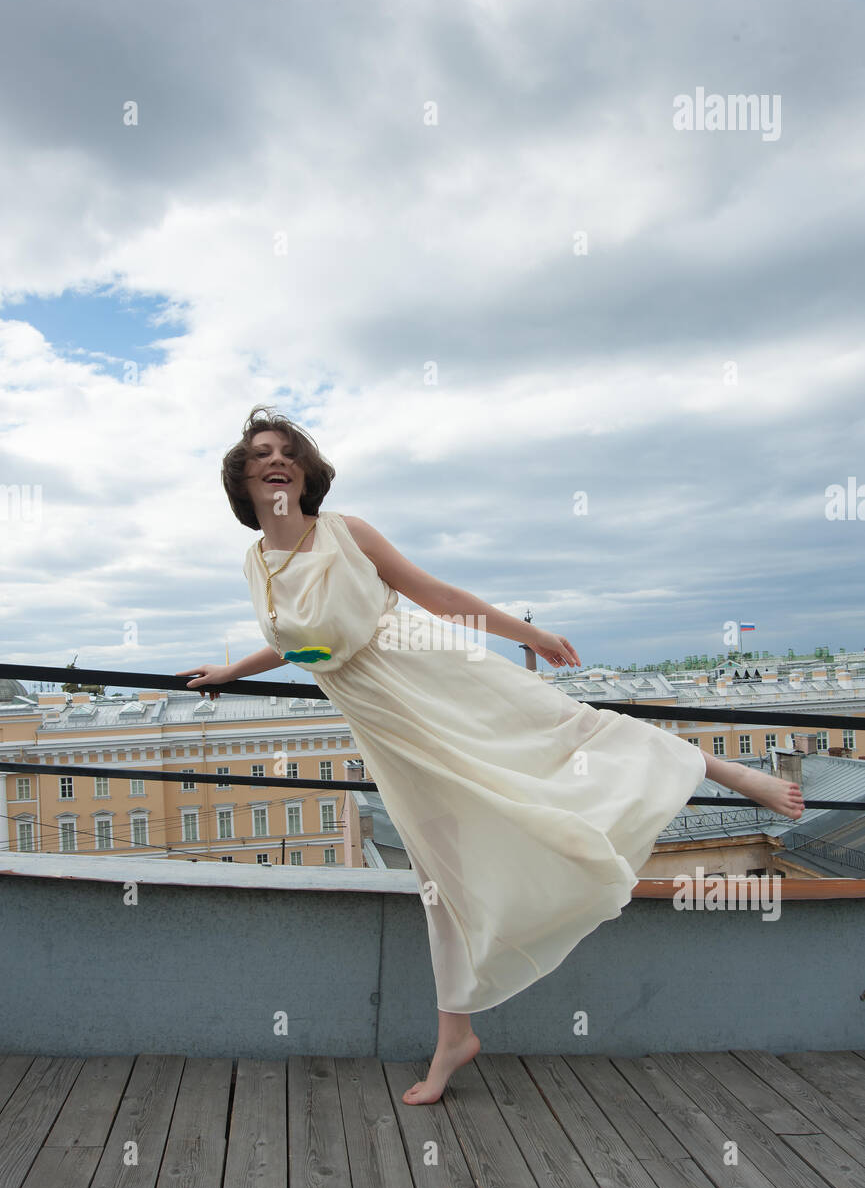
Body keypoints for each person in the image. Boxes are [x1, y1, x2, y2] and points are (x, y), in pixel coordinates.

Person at [178, 405, 805, 1106]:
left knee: (563, 733)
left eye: (287, 450)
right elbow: (306, 646)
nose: (276, 458)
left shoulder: (345, 532)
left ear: (304, 470)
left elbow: (436, 595)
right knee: (440, 867)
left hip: (431, 674)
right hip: (386, 725)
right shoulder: (255, 561)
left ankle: (725, 769)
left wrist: (524, 633)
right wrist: (231, 673)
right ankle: (456, 1033)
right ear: (241, 476)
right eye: (261, 451)